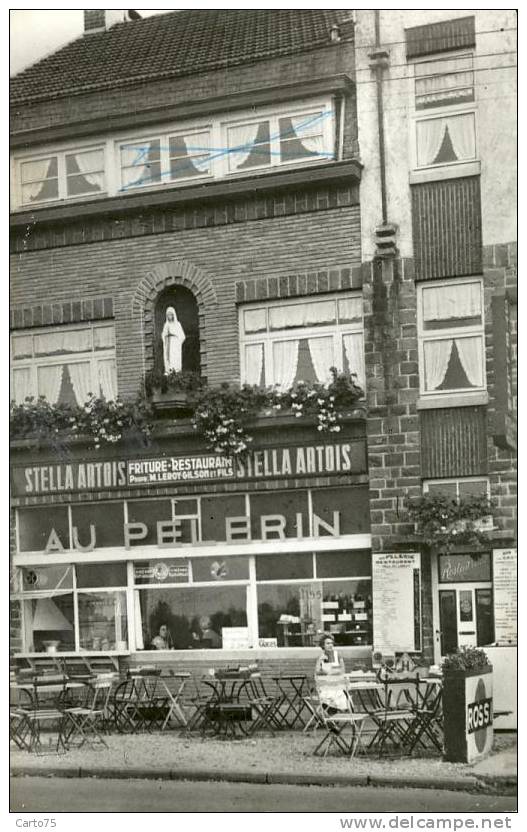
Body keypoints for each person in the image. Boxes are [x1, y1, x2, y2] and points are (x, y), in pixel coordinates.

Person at [315, 633, 348, 712]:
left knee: (336, 695)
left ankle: (331, 719)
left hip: (337, 685)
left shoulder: (337, 655)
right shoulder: (321, 657)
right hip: (325, 686)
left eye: (331, 643)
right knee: (327, 697)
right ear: (323, 645)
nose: (330, 645)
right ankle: (329, 719)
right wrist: (320, 663)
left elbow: (342, 670)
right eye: (327, 643)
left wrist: (331, 672)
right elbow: (317, 672)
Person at [161, 306, 186, 374]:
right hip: (168, 344)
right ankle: (168, 371)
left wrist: (177, 342)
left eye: (171, 314)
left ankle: (176, 371)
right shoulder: (166, 325)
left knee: (175, 359)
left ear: (173, 315)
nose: (169, 316)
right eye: (168, 315)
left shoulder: (177, 324)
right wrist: (166, 339)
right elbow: (163, 335)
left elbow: (182, 336)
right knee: (168, 359)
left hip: (175, 345)